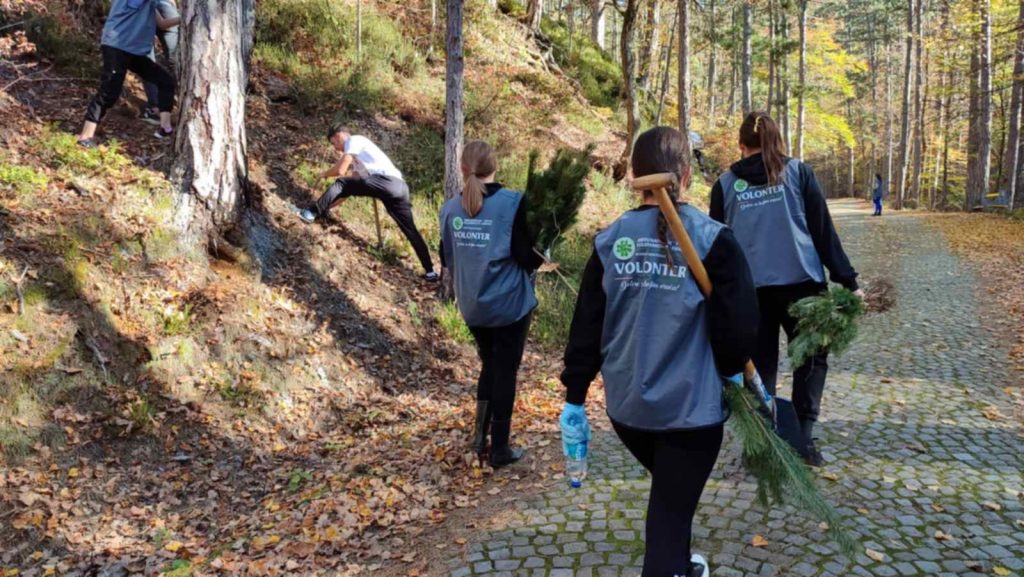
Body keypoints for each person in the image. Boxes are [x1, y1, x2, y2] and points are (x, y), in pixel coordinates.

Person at [559, 127, 760, 577]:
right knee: (669, 513)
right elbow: (739, 327)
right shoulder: (714, 240)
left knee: (672, 497)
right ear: (686, 175)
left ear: (633, 174)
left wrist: (574, 396)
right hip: (691, 415)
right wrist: (733, 373)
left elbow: (586, 328)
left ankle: (682, 566)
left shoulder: (610, 241)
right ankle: (670, 566)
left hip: (629, 412)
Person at [709, 111, 862, 466]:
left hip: (750, 293)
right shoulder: (797, 173)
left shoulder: (725, 185)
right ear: (777, 141)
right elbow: (823, 232)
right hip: (804, 287)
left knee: (758, 366)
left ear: (740, 144)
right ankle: (802, 441)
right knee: (810, 361)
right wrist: (848, 281)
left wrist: (717, 296)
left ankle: (764, 444)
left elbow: (715, 244)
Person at [439, 141, 543, 468]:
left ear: (462, 168)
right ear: (495, 166)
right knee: (505, 371)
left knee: (489, 364)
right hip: (508, 305)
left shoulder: (449, 209)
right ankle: (499, 449)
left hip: (472, 306)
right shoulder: (513, 203)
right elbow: (526, 256)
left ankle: (478, 437)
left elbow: (446, 257)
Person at [298, 126, 438, 281]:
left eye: (334, 144)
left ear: (339, 136)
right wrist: (327, 207)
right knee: (410, 230)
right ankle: (431, 272)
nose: (336, 148)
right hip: (400, 188)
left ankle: (310, 213)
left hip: (387, 182)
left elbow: (341, 171)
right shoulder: (360, 158)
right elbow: (348, 189)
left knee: (342, 182)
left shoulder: (354, 140)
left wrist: (324, 174)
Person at [77, 0, 179, 148]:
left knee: (165, 81)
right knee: (109, 92)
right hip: (116, 46)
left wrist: (187, 19)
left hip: (134, 50)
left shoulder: (149, 5)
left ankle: (165, 128)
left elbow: (162, 24)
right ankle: (85, 136)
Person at [140, 0, 179, 125]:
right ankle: (160, 106)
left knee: (148, 63)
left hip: (145, 9)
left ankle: (157, 107)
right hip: (152, 8)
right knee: (173, 61)